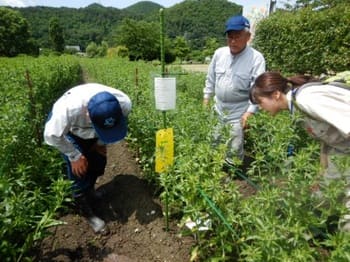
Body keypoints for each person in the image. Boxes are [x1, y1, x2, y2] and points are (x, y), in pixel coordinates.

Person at [249, 71, 350, 232]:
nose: (260, 108)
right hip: (342, 148)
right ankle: (308, 231)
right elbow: (327, 139)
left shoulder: (308, 99)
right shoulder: (296, 107)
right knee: (321, 196)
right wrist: (321, 173)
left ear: (275, 94)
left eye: (260, 102)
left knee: (347, 222)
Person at [44, 83, 132, 233]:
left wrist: (100, 143)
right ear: (87, 115)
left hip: (95, 131)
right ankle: (86, 211)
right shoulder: (66, 111)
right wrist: (75, 156)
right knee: (79, 170)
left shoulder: (123, 103)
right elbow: (52, 136)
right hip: (69, 133)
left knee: (98, 162)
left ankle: (90, 192)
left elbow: (117, 124)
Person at [203, 15, 266, 169]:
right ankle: (215, 170)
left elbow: (257, 88)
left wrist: (250, 112)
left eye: (237, 37)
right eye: (230, 37)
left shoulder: (256, 58)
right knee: (214, 139)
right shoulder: (219, 54)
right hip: (218, 107)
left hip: (239, 110)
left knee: (234, 146)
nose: (233, 41)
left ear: (248, 37)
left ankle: (232, 175)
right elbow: (210, 78)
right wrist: (206, 98)